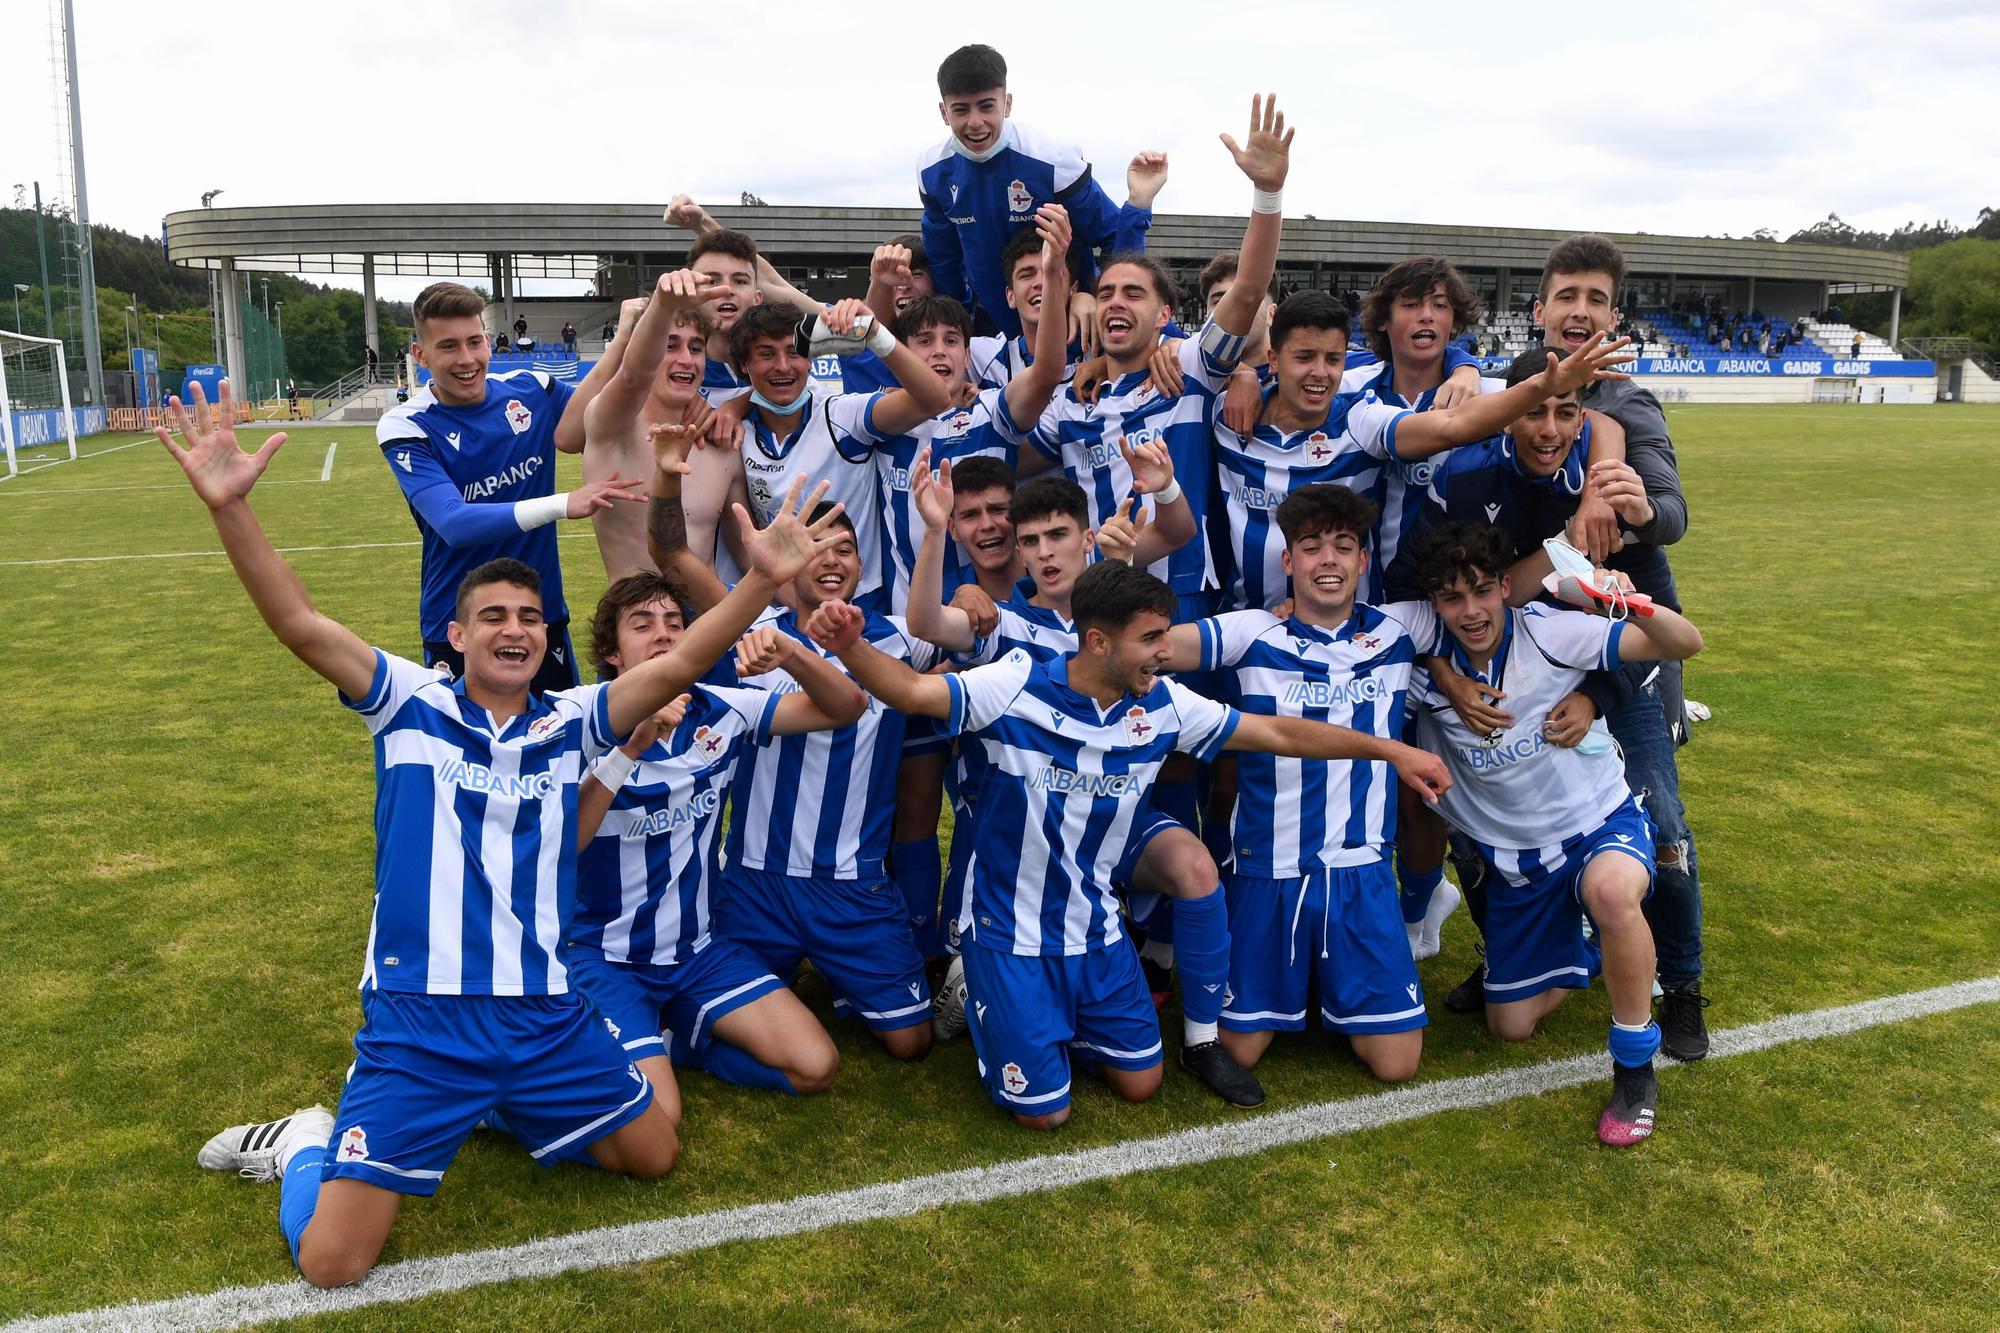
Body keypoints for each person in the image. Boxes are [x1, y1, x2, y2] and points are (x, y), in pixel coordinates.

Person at [167, 378, 848, 1286]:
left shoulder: (575, 720)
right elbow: (298, 622)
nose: (515, 629)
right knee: (333, 1263)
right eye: (493, 616)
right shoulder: (409, 704)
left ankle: (507, 1104)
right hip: (423, 1024)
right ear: (455, 635)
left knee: (653, 1152)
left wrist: (764, 577)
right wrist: (232, 509)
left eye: (530, 616)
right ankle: (305, 1143)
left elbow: (686, 657)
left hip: (546, 1014)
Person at [804, 560, 1450, 1128]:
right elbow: (911, 690)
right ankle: (983, 991)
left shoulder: (1163, 704)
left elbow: (1278, 733)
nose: (1164, 652)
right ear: (1097, 641)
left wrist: (1389, 748)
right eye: (1150, 639)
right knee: (1047, 1113)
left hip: (1095, 931)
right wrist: (851, 647)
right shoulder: (1013, 684)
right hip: (1009, 934)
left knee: (1141, 1084)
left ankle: (1068, 1020)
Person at [1117, 485, 1436, 1084]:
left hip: (1359, 871)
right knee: (1239, 1051)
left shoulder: (1399, 629)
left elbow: (1493, 608)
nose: (1329, 561)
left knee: (1397, 1065)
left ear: (1364, 560)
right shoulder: (1253, 632)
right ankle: (1308, 984)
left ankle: (1334, 982)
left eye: (1344, 548)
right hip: (1267, 870)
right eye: (1311, 548)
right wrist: (1121, 566)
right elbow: (1155, 648)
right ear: (1288, 563)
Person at [1400, 520, 1705, 1144]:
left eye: (1482, 591)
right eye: (1453, 598)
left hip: (1598, 821)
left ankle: (1634, 1067)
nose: (1471, 610)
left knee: (1613, 895)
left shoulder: (1550, 630)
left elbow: (1684, 642)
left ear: (1506, 588)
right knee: (1509, 1025)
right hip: (1517, 861)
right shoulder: (1414, 657)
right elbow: (1344, 629)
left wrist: (1628, 601)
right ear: (1432, 604)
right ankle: (1595, 947)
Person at [647, 430, 946, 1063]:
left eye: (846, 549)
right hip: (754, 879)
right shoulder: (747, 626)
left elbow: (969, 631)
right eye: (816, 548)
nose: (832, 560)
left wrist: (972, 595)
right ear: (790, 559)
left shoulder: (900, 642)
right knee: (705, 1013)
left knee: (910, 1042)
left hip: (851, 883)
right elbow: (672, 554)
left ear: (863, 568)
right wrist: (668, 478)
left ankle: (843, 977)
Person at [569, 571, 862, 1105]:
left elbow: (847, 707)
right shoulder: (581, 716)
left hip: (696, 952)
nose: (663, 634)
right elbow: (565, 846)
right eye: (643, 624)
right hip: (600, 955)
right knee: (659, 1113)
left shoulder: (723, 709)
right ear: (611, 651)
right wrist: (630, 746)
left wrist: (791, 653)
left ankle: (674, 1041)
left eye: (675, 623)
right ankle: (497, 1102)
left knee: (815, 1066)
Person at [1522, 235, 1709, 1060]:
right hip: (1530, 639)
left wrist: (1634, 507)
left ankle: (1685, 986)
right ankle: (1520, 958)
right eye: (1568, 296)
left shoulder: (1630, 407)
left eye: (1596, 299)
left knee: (1660, 820)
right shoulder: (1512, 390)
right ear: (1541, 310)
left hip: (1626, 647)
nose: (1580, 311)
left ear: (1613, 315)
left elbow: (1672, 514)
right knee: (1506, 808)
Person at [377, 282, 646, 690]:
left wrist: (626, 335)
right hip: (458, 625)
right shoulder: (407, 424)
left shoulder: (532, 389)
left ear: (488, 342)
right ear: (421, 355)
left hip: (540, 613)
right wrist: (562, 503)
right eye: (448, 346)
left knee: (558, 743)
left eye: (474, 342)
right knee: (468, 750)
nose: (466, 359)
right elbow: (455, 523)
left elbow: (600, 416)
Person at [919, 44, 1128, 338]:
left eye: (986, 105)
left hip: (1073, 328)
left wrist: (1096, 296)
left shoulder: (1054, 159)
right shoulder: (932, 172)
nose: (975, 122)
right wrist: (959, 329)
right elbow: (944, 261)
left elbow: (1114, 235)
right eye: (961, 109)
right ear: (944, 112)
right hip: (995, 331)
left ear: (1007, 104)